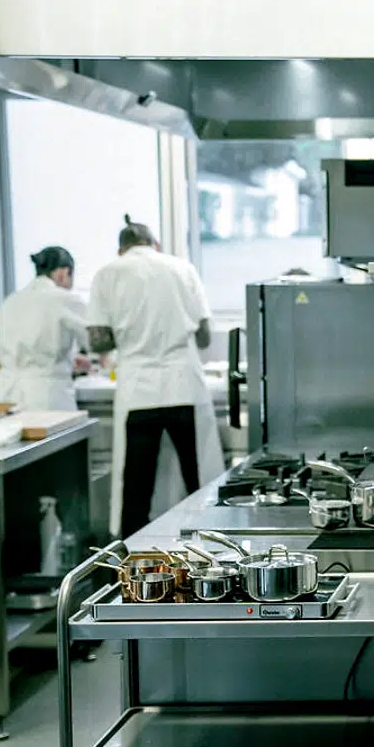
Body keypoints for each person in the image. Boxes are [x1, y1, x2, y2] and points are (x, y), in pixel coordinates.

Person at [88, 217, 224, 539]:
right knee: (199, 480)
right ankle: (213, 549)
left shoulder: (108, 273)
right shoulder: (182, 269)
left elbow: (98, 340)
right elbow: (205, 335)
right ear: (156, 245)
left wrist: (130, 336)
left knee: (136, 488)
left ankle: (133, 564)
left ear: (121, 249)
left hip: (139, 392)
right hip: (184, 386)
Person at [0, 246, 89, 411]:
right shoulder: (64, 298)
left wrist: (68, 359)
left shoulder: (10, 301)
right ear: (63, 273)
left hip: (4, 394)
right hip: (44, 395)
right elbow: (96, 339)